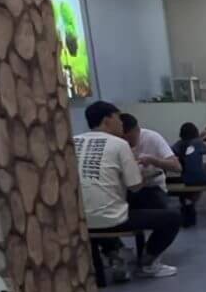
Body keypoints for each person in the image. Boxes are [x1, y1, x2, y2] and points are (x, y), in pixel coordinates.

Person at [75, 101, 179, 279]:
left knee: (99, 207)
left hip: (80, 218)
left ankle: (115, 253)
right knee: (172, 217)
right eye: (118, 118)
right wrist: (147, 173)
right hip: (112, 218)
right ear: (107, 120)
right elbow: (135, 186)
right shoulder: (118, 144)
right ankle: (147, 264)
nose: (121, 123)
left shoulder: (74, 141)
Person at [119, 112, 182, 211]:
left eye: (129, 139)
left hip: (153, 187)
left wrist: (153, 160)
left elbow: (177, 167)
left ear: (137, 130)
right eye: (123, 139)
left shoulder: (152, 137)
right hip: (128, 189)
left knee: (162, 211)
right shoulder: (116, 142)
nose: (127, 142)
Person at [173, 121, 206, 227]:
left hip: (186, 179)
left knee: (196, 187)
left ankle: (189, 208)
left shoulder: (178, 144)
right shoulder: (198, 143)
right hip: (200, 177)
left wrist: (201, 137)